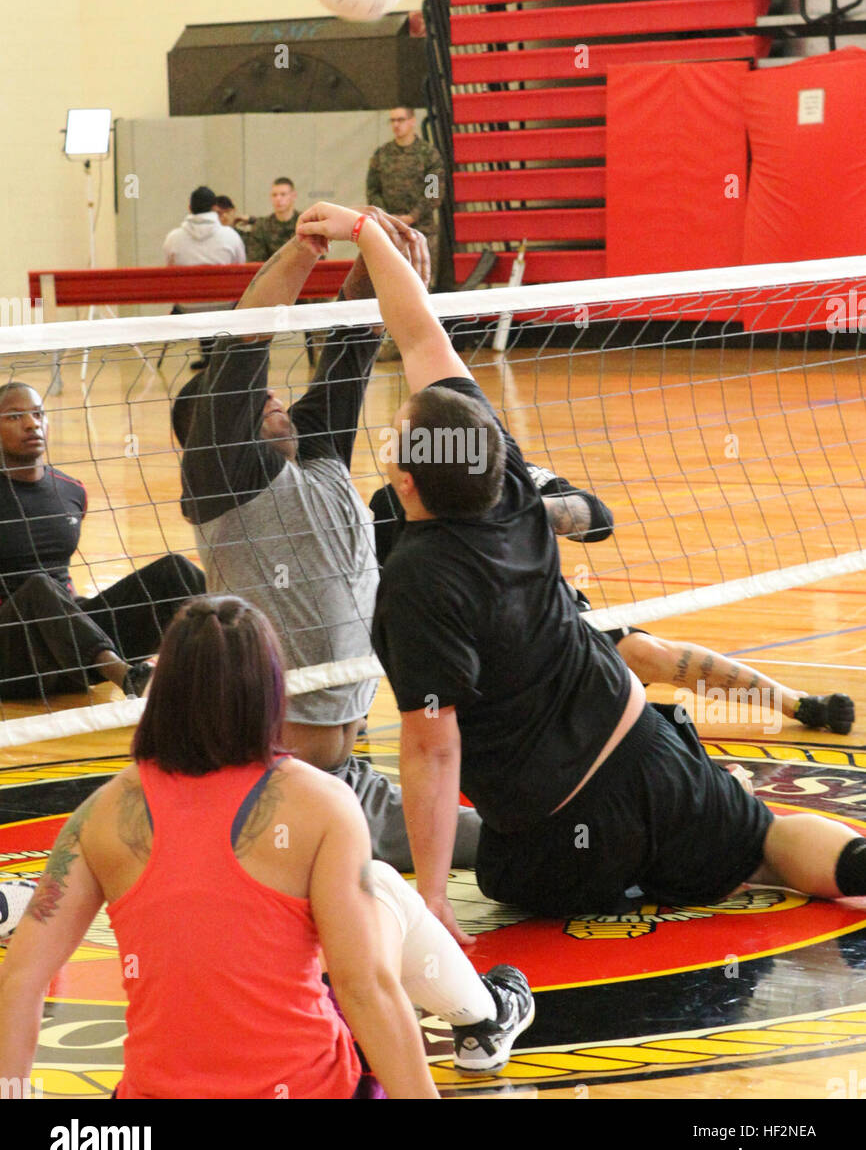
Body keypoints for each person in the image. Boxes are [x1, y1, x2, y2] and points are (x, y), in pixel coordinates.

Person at [296, 201, 866, 944]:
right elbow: (421, 334)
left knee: (501, 874)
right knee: (766, 844)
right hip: (646, 751)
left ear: (407, 485)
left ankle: (635, 874)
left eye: (396, 437)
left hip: (563, 826)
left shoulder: (414, 578)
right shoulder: (503, 482)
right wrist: (367, 230)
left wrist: (432, 896)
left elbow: (432, 749)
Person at [0, 595, 534, 1097]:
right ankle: (486, 1017)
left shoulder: (98, 815)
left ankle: (485, 1012)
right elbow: (363, 986)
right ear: (271, 690)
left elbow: (22, 977)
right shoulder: (322, 803)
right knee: (386, 889)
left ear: (163, 690)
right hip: (307, 1088)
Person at [171, 212, 480, 872]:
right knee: (360, 925)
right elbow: (243, 347)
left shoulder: (316, 450)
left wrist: (380, 254)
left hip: (350, 777)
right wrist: (304, 247)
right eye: (257, 398)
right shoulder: (221, 479)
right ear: (212, 429)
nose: (273, 395)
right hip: (272, 792)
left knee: (500, 841)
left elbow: (353, 338)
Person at [369, 471, 855, 735]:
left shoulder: (509, 478)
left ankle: (801, 705)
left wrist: (530, 513)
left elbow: (598, 518)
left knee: (649, 655)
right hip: (487, 654)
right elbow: (386, 599)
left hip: (554, 620)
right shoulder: (391, 507)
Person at [0, 382, 204, 701]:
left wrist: (76, 621)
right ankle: (127, 676)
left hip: (70, 651)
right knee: (40, 587)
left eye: (38, 414)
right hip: (12, 660)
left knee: (176, 572)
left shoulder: (70, 490)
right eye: (14, 416)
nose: (31, 423)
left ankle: (243, 655)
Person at [164, 185, 246, 370]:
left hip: (187, 307)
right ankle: (220, 359)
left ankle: (209, 358)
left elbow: (170, 271)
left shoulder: (173, 238)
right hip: (224, 306)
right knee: (217, 303)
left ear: (189, 207)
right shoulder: (231, 236)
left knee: (201, 304)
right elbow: (240, 269)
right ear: (214, 208)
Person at [367, 107, 444, 290]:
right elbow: (373, 191)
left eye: (400, 120)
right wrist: (388, 217)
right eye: (392, 121)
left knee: (423, 285)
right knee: (390, 285)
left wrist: (412, 217)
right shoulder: (382, 154)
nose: (396, 125)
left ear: (412, 121)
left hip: (421, 230)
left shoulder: (428, 154)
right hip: (390, 230)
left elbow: (433, 192)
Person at [245, 178, 300, 263]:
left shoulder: (305, 224)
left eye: (283, 194)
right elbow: (255, 262)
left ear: (294, 196)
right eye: (274, 195)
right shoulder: (262, 227)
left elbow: (317, 259)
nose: (278, 199)